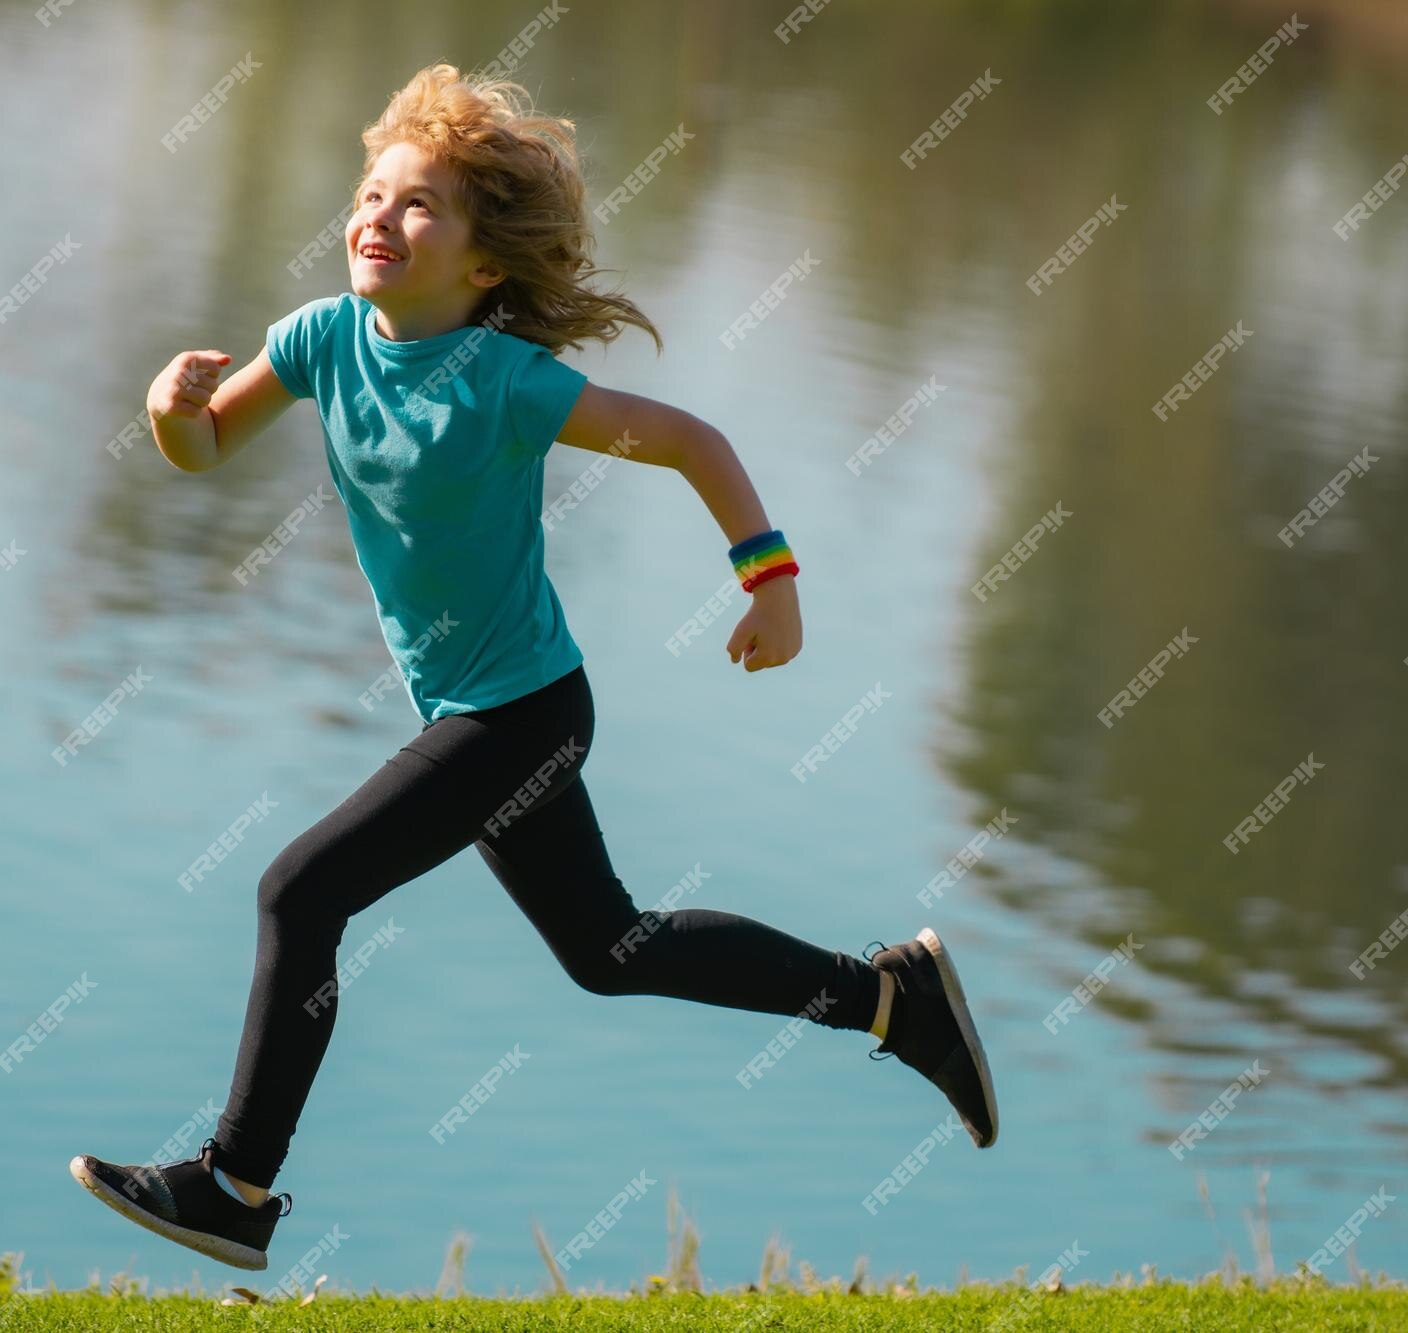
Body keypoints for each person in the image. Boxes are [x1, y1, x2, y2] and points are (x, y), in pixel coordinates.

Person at [71, 62, 996, 1273]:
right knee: (610, 951)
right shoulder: (316, 341)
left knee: (299, 894)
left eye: (419, 206)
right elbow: (200, 446)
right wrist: (162, 405)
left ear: (483, 264)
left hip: (522, 718)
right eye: (372, 192)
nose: (378, 216)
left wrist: (768, 578)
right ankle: (892, 998)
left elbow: (687, 439)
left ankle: (235, 1183)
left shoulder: (503, 382)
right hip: (481, 710)